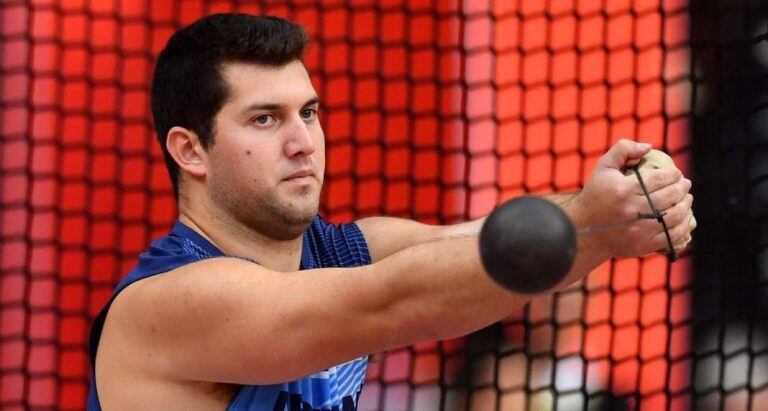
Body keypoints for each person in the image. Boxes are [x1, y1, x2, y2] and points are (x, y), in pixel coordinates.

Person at [87, 13, 695, 410]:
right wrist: (594, 225)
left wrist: (613, 209)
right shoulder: (168, 303)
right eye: (265, 119)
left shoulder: (343, 251)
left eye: (309, 112)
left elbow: (488, 243)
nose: (302, 141)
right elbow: (391, 302)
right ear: (189, 150)